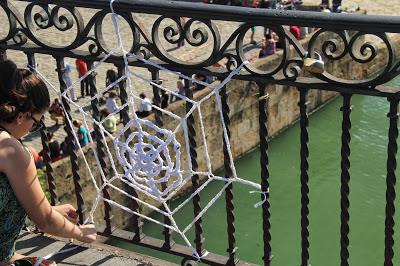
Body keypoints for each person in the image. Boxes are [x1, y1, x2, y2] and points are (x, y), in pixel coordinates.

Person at [0, 60, 96, 266]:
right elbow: (46, 222)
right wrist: (80, 233)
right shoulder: (10, 150)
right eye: (35, 122)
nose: (32, 129)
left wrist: (50, 209)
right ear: (20, 116)